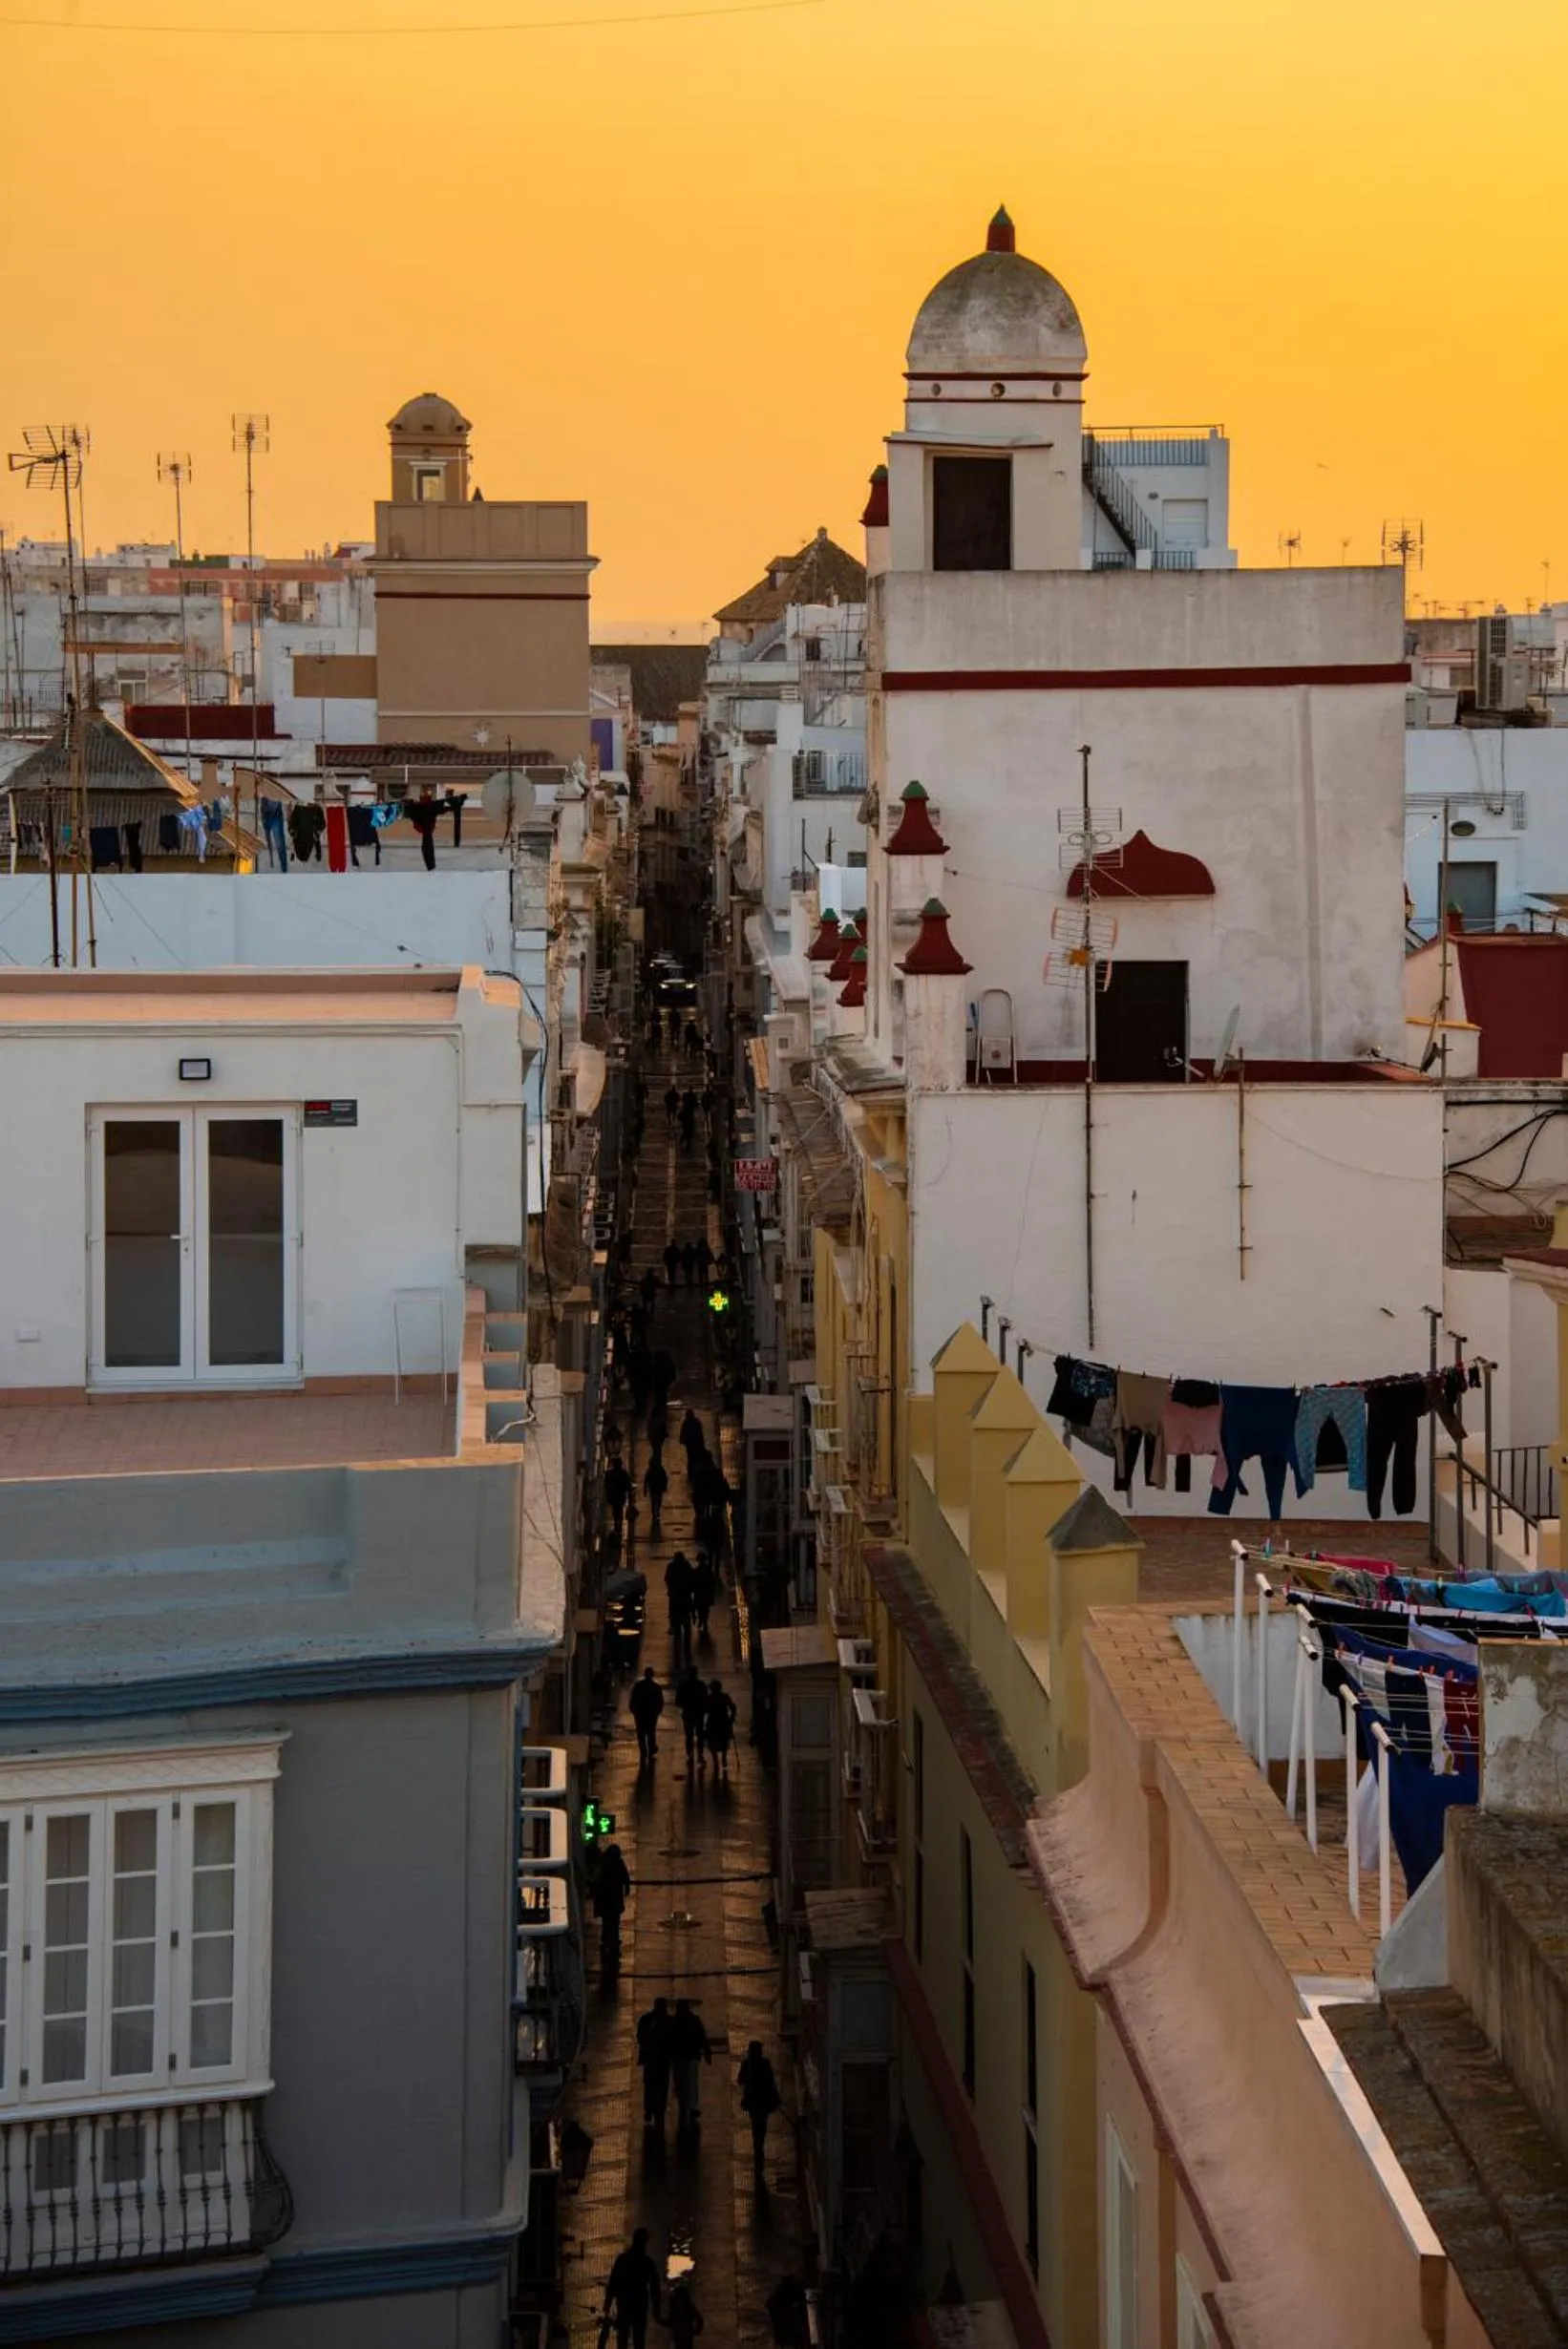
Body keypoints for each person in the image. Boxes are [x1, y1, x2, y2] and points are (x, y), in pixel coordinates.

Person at [604, 2227, 663, 2349]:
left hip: (624, 2302)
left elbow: (613, 2282)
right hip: (640, 2304)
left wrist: (608, 2302)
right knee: (639, 2338)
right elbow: (654, 2288)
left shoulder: (622, 2259)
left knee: (623, 2337)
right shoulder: (647, 2262)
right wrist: (656, 2308)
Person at [737, 2041, 782, 2183]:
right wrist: (775, 2098)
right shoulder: (765, 2064)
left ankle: (758, 2150)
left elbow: (740, 2080)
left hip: (753, 2103)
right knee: (762, 2127)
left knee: (756, 2127)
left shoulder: (747, 2064)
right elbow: (771, 2083)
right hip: (763, 2103)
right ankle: (759, 2151)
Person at [670, 1997, 711, 2131]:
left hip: (681, 2057)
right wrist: (706, 2053)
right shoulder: (693, 2021)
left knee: (683, 2081)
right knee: (689, 2081)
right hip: (688, 2056)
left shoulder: (676, 2022)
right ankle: (690, 2105)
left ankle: (686, 2105)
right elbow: (702, 2036)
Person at [636, 1997, 674, 2130]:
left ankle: (657, 2110)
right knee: (653, 2085)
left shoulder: (666, 2021)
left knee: (658, 2086)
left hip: (661, 2060)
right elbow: (641, 2036)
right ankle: (651, 2110)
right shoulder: (649, 2020)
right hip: (653, 2059)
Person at [593, 1842, 631, 1970]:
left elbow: (598, 1883)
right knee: (613, 1921)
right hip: (613, 1900)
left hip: (607, 1900)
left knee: (609, 1921)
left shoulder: (605, 1865)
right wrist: (626, 1889)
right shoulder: (617, 1864)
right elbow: (626, 1878)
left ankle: (608, 1939)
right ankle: (612, 1940)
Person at [674, 1661, 707, 1768]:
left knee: (689, 1735)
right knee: (700, 1735)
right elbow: (705, 1698)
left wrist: (685, 1705)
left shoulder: (684, 1685)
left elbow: (678, 1700)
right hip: (698, 1712)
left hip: (688, 1712)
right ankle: (700, 1754)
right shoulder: (700, 1685)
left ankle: (690, 1754)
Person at [629, 1666, 664, 1764]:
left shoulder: (639, 1686)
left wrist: (633, 1709)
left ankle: (644, 1750)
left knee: (642, 1733)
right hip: (650, 1713)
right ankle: (650, 1748)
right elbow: (660, 1701)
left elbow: (633, 1698)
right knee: (650, 1732)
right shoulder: (656, 1687)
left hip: (641, 1713)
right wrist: (658, 1710)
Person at [704, 1679, 737, 1776]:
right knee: (723, 1741)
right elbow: (733, 1707)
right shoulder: (724, 1697)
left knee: (713, 1741)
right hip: (723, 1721)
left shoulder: (710, 1698)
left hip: (714, 1722)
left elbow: (704, 1709)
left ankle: (717, 1760)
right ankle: (723, 1758)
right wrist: (731, 1719)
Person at [666, 1553, 694, 1661]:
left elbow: (667, 1579)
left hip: (675, 1599)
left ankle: (677, 1644)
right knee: (686, 1625)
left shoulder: (671, 1567)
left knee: (677, 1626)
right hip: (685, 1599)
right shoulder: (687, 1566)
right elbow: (692, 1580)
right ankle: (686, 1646)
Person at [666, 2282, 705, 2349]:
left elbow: (671, 2320)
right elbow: (698, 2319)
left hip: (681, 2334)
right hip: (686, 2334)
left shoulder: (678, 2306)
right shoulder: (688, 2305)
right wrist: (697, 2330)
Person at [690, 1551, 717, 1640]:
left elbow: (692, 1582)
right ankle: (704, 1622)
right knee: (705, 1609)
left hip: (699, 1593)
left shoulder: (696, 1571)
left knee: (700, 1608)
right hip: (706, 1593)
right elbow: (713, 1582)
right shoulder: (708, 1571)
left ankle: (701, 1621)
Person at [604, 1458, 633, 1538]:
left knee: (615, 1511)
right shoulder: (623, 1474)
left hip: (613, 1496)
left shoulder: (609, 1474)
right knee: (619, 1511)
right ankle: (618, 1526)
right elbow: (628, 1486)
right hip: (620, 1497)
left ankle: (617, 1525)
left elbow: (606, 1485)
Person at [643, 1453, 668, 1536]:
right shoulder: (658, 1470)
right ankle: (655, 1512)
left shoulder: (654, 1470)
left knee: (655, 1500)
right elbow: (664, 1478)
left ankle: (655, 1512)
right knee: (656, 1500)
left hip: (655, 1487)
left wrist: (645, 1489)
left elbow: (646, 1480)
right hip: (656, 1487)